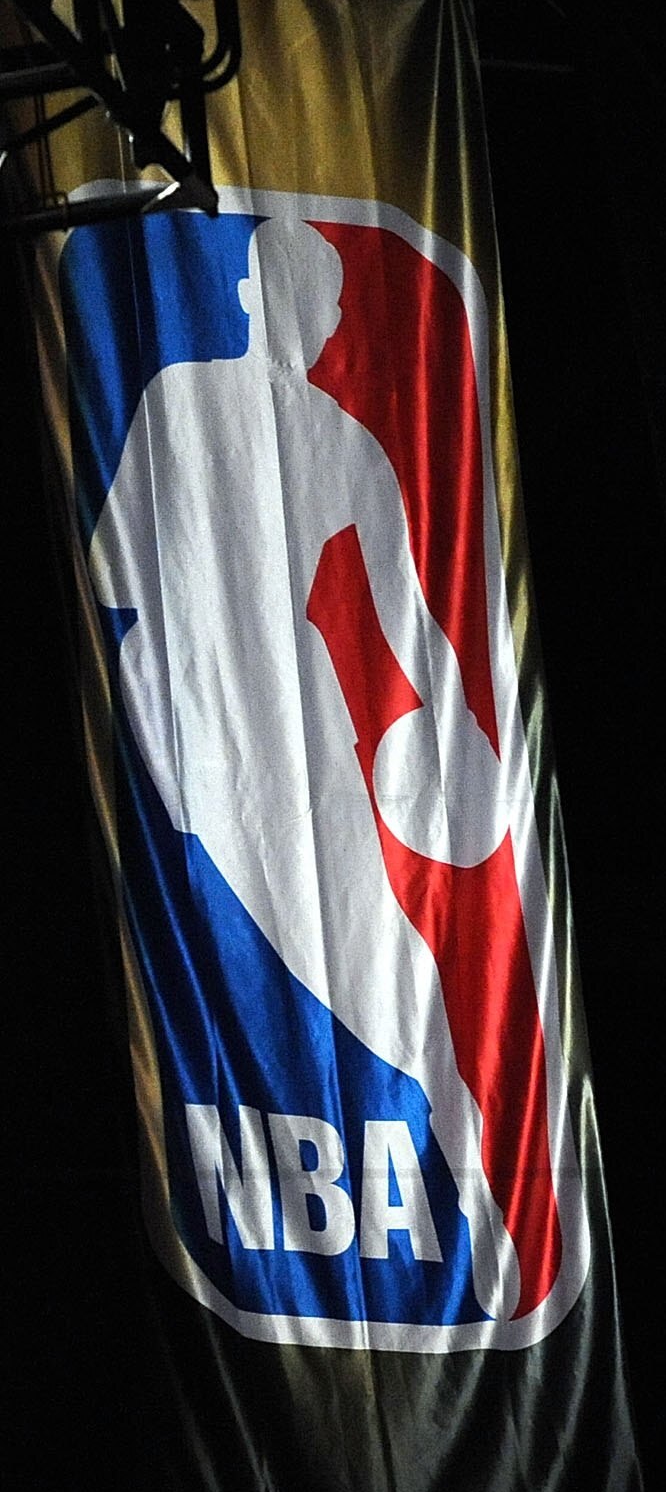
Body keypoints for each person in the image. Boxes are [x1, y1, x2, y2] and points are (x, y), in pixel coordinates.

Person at [89, 214, 521, 1318]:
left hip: (291, 732)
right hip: (202, 727)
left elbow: (417, 629)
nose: (324, 323)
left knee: (396, 970)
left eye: (330, 305)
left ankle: (477, 1195)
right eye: (310, 299)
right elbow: (110, 579)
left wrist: (456, 746)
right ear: (250, 299)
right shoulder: (179, 403)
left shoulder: (347, 447)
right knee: (219, 969)